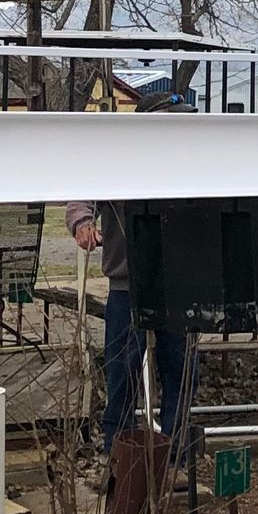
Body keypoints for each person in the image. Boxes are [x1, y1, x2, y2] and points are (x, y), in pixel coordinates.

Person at [67, 79, 195, 455]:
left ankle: (174, 451)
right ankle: (118, 452)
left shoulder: (192, 168)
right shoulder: (115, 164)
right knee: (122, 371)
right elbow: (80, 198)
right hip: (127, 285)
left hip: (180, 285)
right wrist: (82, 223)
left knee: (182, 371)